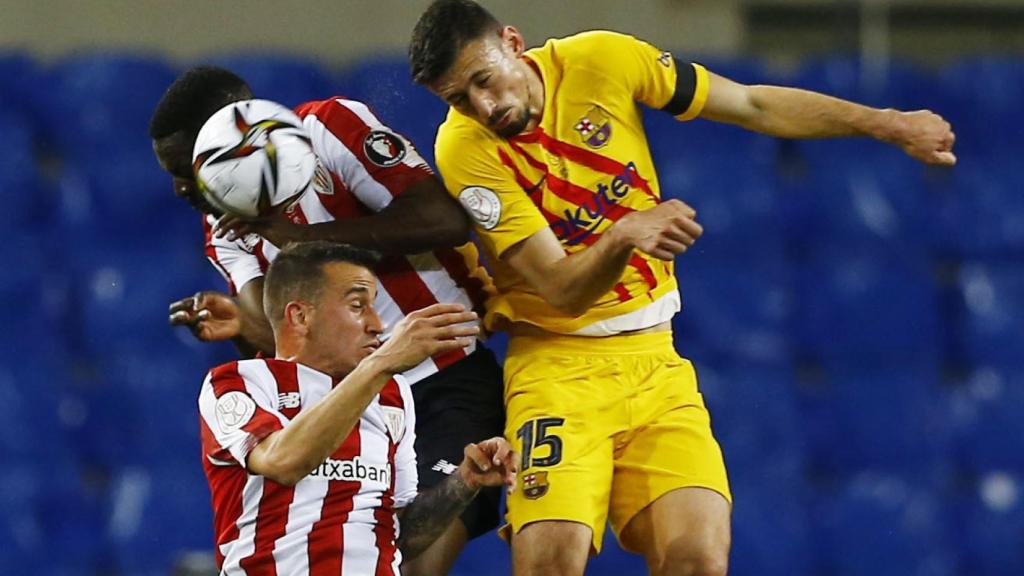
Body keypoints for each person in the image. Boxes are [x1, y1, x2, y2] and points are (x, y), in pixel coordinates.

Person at [408, 1, 957, 575]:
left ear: (514, 43)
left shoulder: (604, 59)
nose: (483, 106)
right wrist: (623, 235)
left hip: (654, 363)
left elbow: (752, 103)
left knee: (697, 559)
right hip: (555, 371)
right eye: (458, 99)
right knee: (550, 563)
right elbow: (562, 290)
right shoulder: (465, 150)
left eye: (484, 80)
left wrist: (887, 123)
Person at [150, 66, 505, 575]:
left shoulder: (329, 129)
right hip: (350, 404)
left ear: (236, 132)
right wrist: (240, 328)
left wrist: (297, 239)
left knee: (417, 562)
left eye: (187, 169)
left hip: (444, 372)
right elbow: (275, 338)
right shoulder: (225, 230)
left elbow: (443, 221)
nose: (183, 190)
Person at [198, 240, 516, 573]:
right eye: (357, 305)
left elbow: (401, 537)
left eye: (374, 305)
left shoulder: (394, 396)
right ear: (300, 315)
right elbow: (282, 461)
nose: (378, 324)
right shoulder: (239, 382)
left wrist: (464, 481)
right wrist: (379, 365)